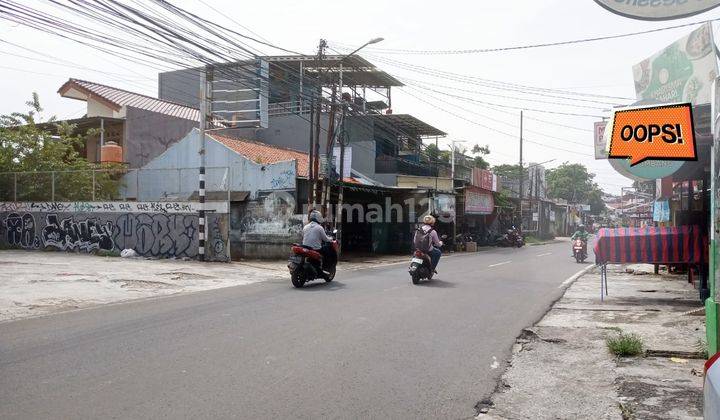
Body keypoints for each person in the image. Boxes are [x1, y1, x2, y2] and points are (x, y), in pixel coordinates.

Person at [302, 210, 334, 278]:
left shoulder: (305, 227)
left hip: (305, 248)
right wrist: (331, 239)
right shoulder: (319, 228)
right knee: (327, 251)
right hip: (315, 249)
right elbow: (326, 239)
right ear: (318, 218)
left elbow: (303, 236)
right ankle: (326, 267)